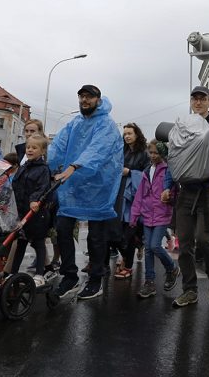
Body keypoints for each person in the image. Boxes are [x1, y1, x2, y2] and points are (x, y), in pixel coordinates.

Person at [48, 85, 123, 300]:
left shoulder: (106, 125)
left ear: (98, 100)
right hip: (73, 185)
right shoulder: (75, 123)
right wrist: (49, 163)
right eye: (81, 96)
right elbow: (59, 144)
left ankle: (96, 279)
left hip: (99, 187)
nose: (84, 100)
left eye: (89, 97)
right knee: (63, 228)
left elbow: (97, 150)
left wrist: (74, 166)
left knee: (96, 236)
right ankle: (69, 276)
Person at [172, 85, 209, 308]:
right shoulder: (183, 125)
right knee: (185, 243)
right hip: (186, 190)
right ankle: (189, 290)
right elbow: (174, 156)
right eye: (194, 98)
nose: (198, 102)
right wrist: (170, 185)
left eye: (202, 99)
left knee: (205, 239)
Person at [129, 140, 180, 299]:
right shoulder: (146, 171)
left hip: (162, 214)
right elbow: (139, 196)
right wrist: (134, 215)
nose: (152, 155)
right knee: (149, 249)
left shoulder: (168, 170)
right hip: (147, 215)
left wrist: (169, 196)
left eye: (156, 153)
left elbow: (174, 193)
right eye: (150, 152)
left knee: (155, 246)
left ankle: (171, 267)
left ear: (163, 154)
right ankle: (149, 282)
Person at [8, 134, 55, 283]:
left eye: (34, 147)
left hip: (36, 213)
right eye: (28, 147)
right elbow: (15, 185)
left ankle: (40, 274)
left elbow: (42, 187)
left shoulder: (43, 170)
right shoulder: (23, 167)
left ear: (42, 151)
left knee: (39, 243)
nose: (30, 150)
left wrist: (35, 200)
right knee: (21, 242)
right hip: (21, 212)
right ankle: (12, 272)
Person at [111, 122, 149, 280]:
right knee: (119, 231)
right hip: (122, 196)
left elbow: (148, 175)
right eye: (125, 133)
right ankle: (130, 253)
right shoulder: (122, 151)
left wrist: (130, 172)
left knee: (129, 231)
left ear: (137, 135)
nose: (126, 136)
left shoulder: (144, 153)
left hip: (136, 198)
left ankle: (127, 265)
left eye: (129, 133)